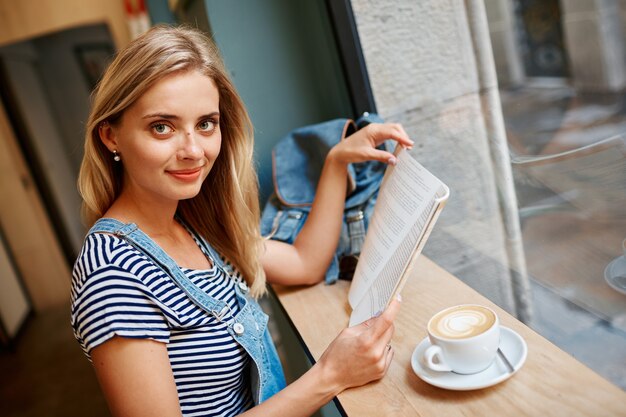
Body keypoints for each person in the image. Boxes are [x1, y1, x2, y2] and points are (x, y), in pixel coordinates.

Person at [71, 25, 412, 417]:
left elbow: (305, 263)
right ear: (110, 136)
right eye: (161, 127)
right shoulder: (111, 270)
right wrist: (330, 377)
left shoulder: (196, 227)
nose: (193, 150)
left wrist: (336, 163)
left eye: (205, 124)